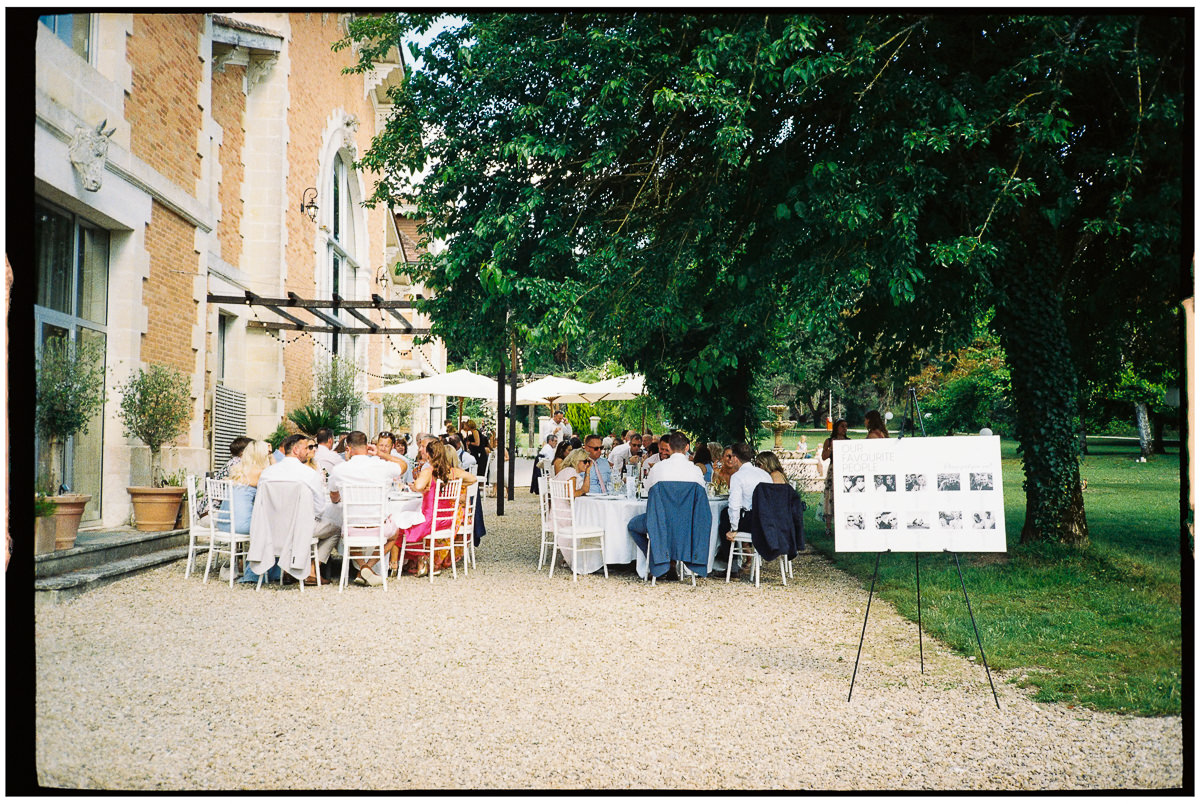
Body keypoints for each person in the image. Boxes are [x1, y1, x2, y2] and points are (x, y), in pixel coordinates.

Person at [325, 431, 406, 586]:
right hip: (378, 526)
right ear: (367, 446)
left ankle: (363, 567)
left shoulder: (340, 470)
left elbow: (334, 498)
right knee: (395, 534)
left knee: (346, 533)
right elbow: (403, 466)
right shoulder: (381, 466)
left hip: (352, 528)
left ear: (348, 448)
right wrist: (382, 454)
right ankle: (368, 566)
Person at [257, 433, 334, 585]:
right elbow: (319, 508)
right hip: (300, 530)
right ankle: (311, 570)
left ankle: (288, 570)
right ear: (296, 450)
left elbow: (260, 504)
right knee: (336, 529)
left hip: (270, 529)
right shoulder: (309, 474)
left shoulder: (267, 474)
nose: (308, 451)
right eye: (307, 448)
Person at [397, 439, 478, 576]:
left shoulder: (428, 471)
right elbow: (473, 479)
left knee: (399, 531)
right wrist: (456, 488)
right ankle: (423, 559)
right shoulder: (452, 472)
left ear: (428, 455)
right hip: (448, 520)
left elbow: (418, 486)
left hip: (430, 520)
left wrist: (419, 487)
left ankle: (421, 557)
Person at [719, 442, 773, 577]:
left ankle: (729, 564)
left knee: (725, 515)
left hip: (751, 522)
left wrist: (734, 529)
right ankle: (745, 558)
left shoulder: (738, 476)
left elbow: (734, 505)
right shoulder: (765, 474)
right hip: (767, 521)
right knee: (731, 514)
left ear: (736, 458)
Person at [196, 435, 252, 519]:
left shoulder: (232, 462)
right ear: (243, 452)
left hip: (205, 512)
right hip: (212, 515)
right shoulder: (238, 465)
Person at [822, 419, 850, 537]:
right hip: (833, 471)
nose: (844, 429)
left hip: (845, 470)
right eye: (842, 426)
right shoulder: (829, 441)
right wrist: (832, 448)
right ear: (836, 428)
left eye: (846, 426)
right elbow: (823, 457)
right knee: (830, 498)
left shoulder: (849, 441)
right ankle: (828, 527)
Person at [485, 433, 509, 497]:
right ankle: (494, 492)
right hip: (495, 466)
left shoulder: (503, 449)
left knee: (505, 480)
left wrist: (504, 459)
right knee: (495, 480)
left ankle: (508, 492)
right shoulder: (494, 449)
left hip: (501, 466)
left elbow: (507, 457)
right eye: (496, 441)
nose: (496, 443)